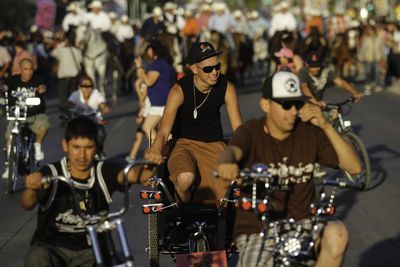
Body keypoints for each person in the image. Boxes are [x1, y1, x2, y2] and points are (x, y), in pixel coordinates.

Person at [217, 71, 362, 267]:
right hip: (258, 229)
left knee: (337, 233)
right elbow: (233, 150)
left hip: (304, 224)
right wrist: (227, 164)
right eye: (286, 104)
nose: (293, 111)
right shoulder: (251, 132)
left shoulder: (309, 133)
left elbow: (354, 167)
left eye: (297, 103)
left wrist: (325, 125)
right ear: (266, 105)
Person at [21, 116, 154, 267]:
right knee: (36, 257)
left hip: (92, 251)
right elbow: (27, 203)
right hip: (54, 248)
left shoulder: (103, 171)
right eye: (76, 147)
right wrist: (31, 187)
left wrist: (151, 162)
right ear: (65, 146)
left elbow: (135, 175)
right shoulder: (52, 173)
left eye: (88, 147)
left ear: (96, 147)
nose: (82, 155)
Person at [144, 41, 242, 202]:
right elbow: (163, 131)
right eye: (208, 69)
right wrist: (155, 150)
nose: (215, 72)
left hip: (214, 144)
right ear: (194, 69)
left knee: (227, 191)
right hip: (183, 144)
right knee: (185, 178)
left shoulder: (227, 87)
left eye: (217, 67)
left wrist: (244, 155)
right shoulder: (179, 90)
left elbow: (239, 129)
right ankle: (183, 211)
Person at [126, 40, 175, 162]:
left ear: (153, 50)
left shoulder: (158, 64)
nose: (147, 52)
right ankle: (170, 153)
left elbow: (148, 81)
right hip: (165, 101)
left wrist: (139, 67)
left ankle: (157, 151)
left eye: (149, 49)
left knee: (147, 127)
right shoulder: (166, 64)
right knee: (166, 131)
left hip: (159, 103)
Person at [2, 58, 50, 179]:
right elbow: (5, 86)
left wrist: (42, 88)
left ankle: (37, 147)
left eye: (31, 69)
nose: (29, 72)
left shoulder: (38, 79)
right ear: (20, 69)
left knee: (44, 126)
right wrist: (4, 88)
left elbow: (43, 85)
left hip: (35, 115)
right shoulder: (13, 80)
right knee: (10, 137)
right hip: (18, 115)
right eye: (26, 69)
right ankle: (10, 167)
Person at [298, 51, 363, 107]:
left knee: (335, 113)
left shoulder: (326, 71)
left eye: (317, 66)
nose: (315, 69)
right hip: (304, 104)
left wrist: (355, 92)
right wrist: (315, 102)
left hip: (319, 104)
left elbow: (341, 82)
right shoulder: (303, 72)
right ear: (307, 65)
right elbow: (304, 87)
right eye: (312, 66)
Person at [66, 76, 110, 157]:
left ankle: (98, 149)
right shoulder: (76, 95)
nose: (87, 89)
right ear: (80, 88)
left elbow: (102, 104)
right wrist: (69, 105)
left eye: (89, 87)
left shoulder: (96, 93)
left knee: (101, 134)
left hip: (94, 121)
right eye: (84, 87)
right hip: (79, 122)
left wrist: (104, 108)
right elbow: (70, 103)